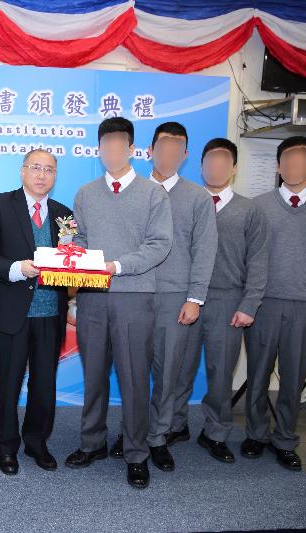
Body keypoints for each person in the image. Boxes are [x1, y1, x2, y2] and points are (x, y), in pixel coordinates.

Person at [64, 116, 173, 489]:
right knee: (93, 376)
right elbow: (78, 241)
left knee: (133, 380)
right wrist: (70, 260)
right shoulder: (85, 193)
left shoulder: (152, 193)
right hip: (93, 299)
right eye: (104, 145)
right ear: (98, 150)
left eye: (118, 145)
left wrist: (118, 266)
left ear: (131, 149)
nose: (111, 151)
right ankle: (91, 443)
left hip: (134, 297)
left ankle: (136, 453)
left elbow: (160, 245)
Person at [110, 122, 217, 472]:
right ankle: (132, 433)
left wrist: (195, 297)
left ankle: (156, 436)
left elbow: (205, 251)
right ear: (149, 151)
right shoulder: (131, 190)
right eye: (163, 147)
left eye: (178, 149)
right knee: (132, 371)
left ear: (185, 155)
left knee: (168, 371)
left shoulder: (198, 198)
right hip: (131, 293)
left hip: (174, 297)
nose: (169, 154)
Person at [243, 136, 306, 471]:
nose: (293, 166)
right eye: (287, 160)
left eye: (301, 159)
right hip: (263, 304)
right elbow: (248, 258)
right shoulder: (258, 206)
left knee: (293, 378)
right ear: (278, 165)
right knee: (257, 374)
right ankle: (256, 434)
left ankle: (285, 439)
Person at [170, 138, 269, 463]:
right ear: (200, 166)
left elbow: (258, 260)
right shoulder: (187, 202)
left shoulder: (249, 209)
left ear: (234, 168)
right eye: (210, 161)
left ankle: (215, 432)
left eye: (224, 161)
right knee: (179, 369)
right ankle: (175, 424)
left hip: (228, 300)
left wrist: (249, 304)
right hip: (185, 298)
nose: (216, 167)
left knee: (220, 372)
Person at [0, 149, 72, 475]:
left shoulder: (64, 215)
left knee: (45, 384)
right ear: (22, 171)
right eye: (36, 168)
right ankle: (5, 446)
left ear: (55, 176)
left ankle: (36, 442)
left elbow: (71, 262)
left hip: (50, 314)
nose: (42, 175)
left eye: (49, 170)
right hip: (11, 312)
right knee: (9, 383)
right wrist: (17, 268)